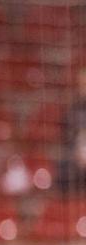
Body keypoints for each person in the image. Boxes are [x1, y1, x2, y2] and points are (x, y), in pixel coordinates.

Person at [56, 67, 86, 195]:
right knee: (64, 167)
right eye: (81, 84)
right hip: (77, 160)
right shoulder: (73, 111)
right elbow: (67, 137)